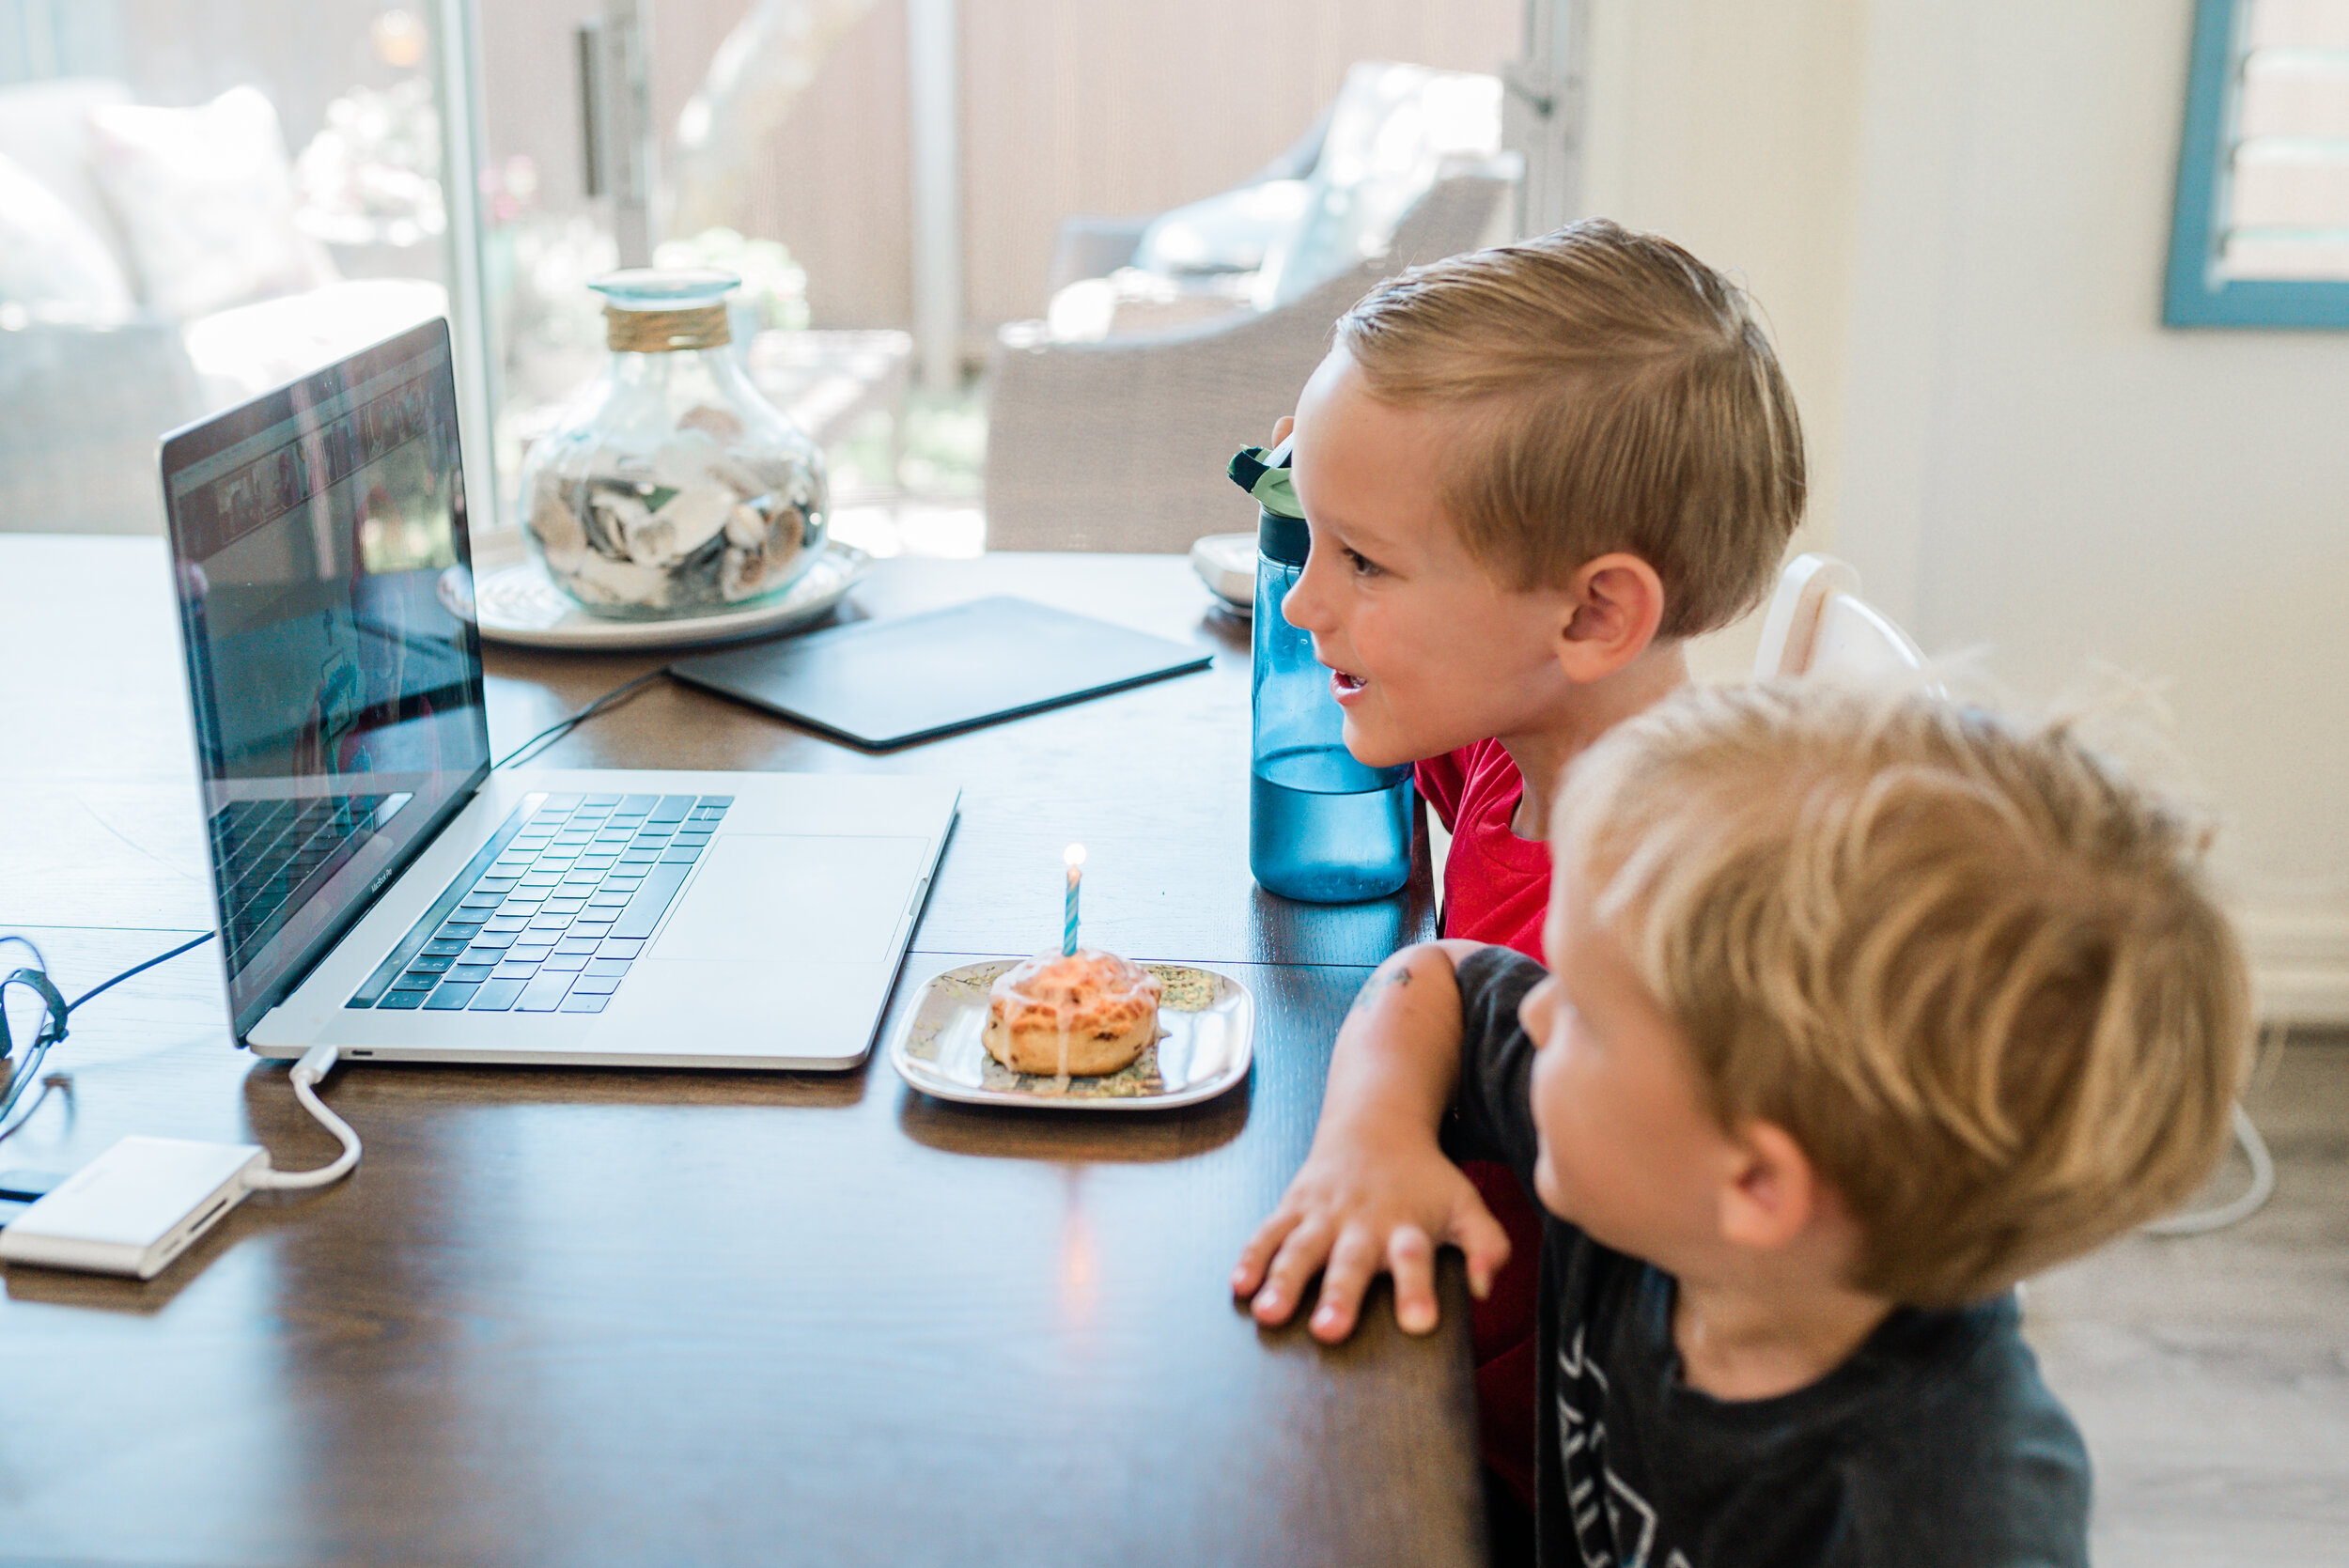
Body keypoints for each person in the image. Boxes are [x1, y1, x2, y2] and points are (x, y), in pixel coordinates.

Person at [1232, 681, 2251, 1567]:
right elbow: (1439, 975)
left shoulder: (1947, 1520)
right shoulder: (1669, 1165)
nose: (1537, 1009)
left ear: (1757, 1185)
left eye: (1581, 1006)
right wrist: (1372, 1140)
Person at [1268, 218, 1807, 1521]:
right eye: (1311, 537)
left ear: (1589, 614)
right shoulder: (1523, 752)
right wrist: (1372, 1127)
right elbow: (1441, 969)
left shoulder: (1668, 940)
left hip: (1506, 1485)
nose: (1300, 604)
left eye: (1361, 563)